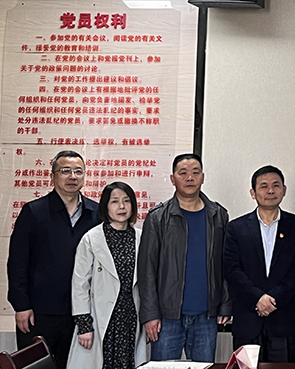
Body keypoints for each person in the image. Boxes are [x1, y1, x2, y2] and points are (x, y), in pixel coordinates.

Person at [7, 150, 100, 369]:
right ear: (53, 176)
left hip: (81, 313)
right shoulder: (34, 211)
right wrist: (21, 305)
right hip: (38, 313)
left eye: (78, 171)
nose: (72, 176)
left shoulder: (96, 214)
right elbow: (18, 262)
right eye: (65, 171)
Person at [138, 153, 232, 362]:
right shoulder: (157, 217)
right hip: (167, 317)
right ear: (173, 179)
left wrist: (225, 304)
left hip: (206, 316)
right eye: (183, 173)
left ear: (203, 177)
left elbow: (225, 264)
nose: (190, 178)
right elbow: (147, 270)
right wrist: (150, 314)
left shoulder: (218, 215)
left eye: (195, 172)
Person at [224, 165, 295, 362]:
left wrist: (273, 298)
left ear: (284, 190)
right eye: (263, 186)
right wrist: (257, 298)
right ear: (253, 193)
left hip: (283, 319)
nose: (270, 191)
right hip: (247, 320)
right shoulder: (236, 228)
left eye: (276, 185)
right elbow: (231, 269)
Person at [66, 182, 146, 369]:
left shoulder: (141, 237)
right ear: (105, 206)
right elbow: (79, 284)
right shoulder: (91, 239)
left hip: (131, 316)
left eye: (127, 201)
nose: (121, 207)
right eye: (115, 201)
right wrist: (84, 325)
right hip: (101, 316)